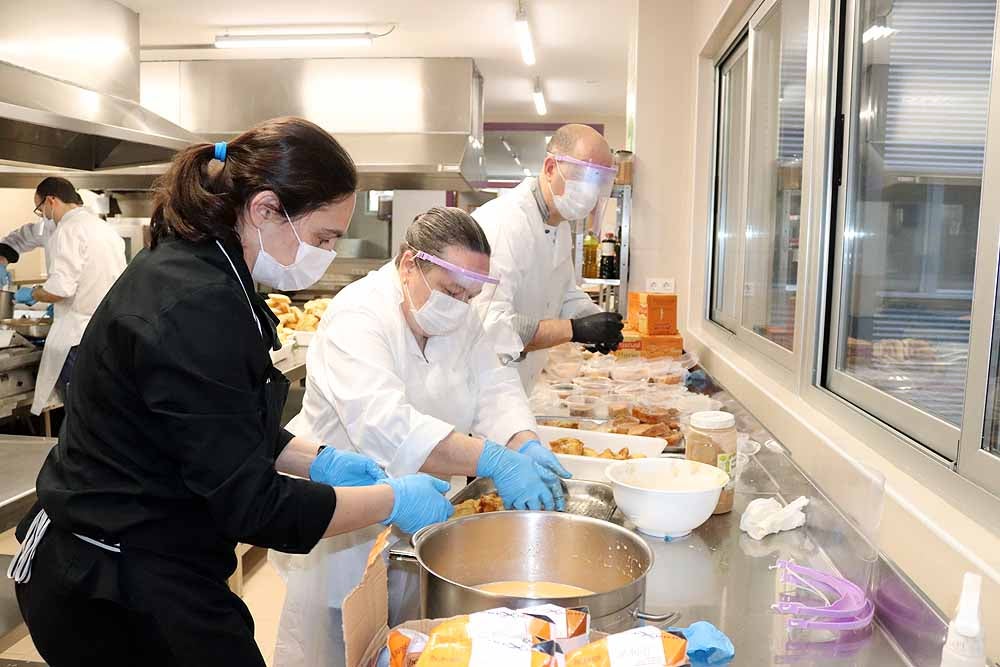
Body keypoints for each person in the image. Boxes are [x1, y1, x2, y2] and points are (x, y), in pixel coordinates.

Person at [7, 117, 454, 667]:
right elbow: (256, 508)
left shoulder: (210, 269)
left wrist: (319, 461)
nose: (329, 254)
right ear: (265, 209)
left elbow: (218, 421)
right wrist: (392, 500)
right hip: (107, 577)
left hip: (144, 551)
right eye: (323, 237)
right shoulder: (196, 300)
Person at [273, 207, 571, 667]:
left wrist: (522, 440)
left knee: (412, 644)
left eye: (471, 295)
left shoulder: (459, 316)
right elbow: (388, 425)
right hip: (348, 525)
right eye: (452, 290)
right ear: (411, 263)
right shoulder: (357, 315)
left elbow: (494, 384)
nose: (461, 303)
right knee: (339, 646)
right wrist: (494, 461)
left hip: (427, 517)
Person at [473, 124, 625, 392]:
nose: (592, 189)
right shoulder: (505, 224)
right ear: (550, 168)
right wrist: (574, 330)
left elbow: (563, 293)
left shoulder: (559, 225)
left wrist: (595, 321)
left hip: (516, 384)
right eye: (584, 174)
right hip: (482, 387)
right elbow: (490, 325)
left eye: (600, 179)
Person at [0, 177, 127, 413]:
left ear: (51, 201)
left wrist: (34, 293)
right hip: (105, 334)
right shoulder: (105, 231)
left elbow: (61, 289)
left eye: (41, 209)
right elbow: (25, 236)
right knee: (100, 411)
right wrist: (2, 256)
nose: (44, 216)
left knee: (80, 411)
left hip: (76, 339)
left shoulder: (67, 229)